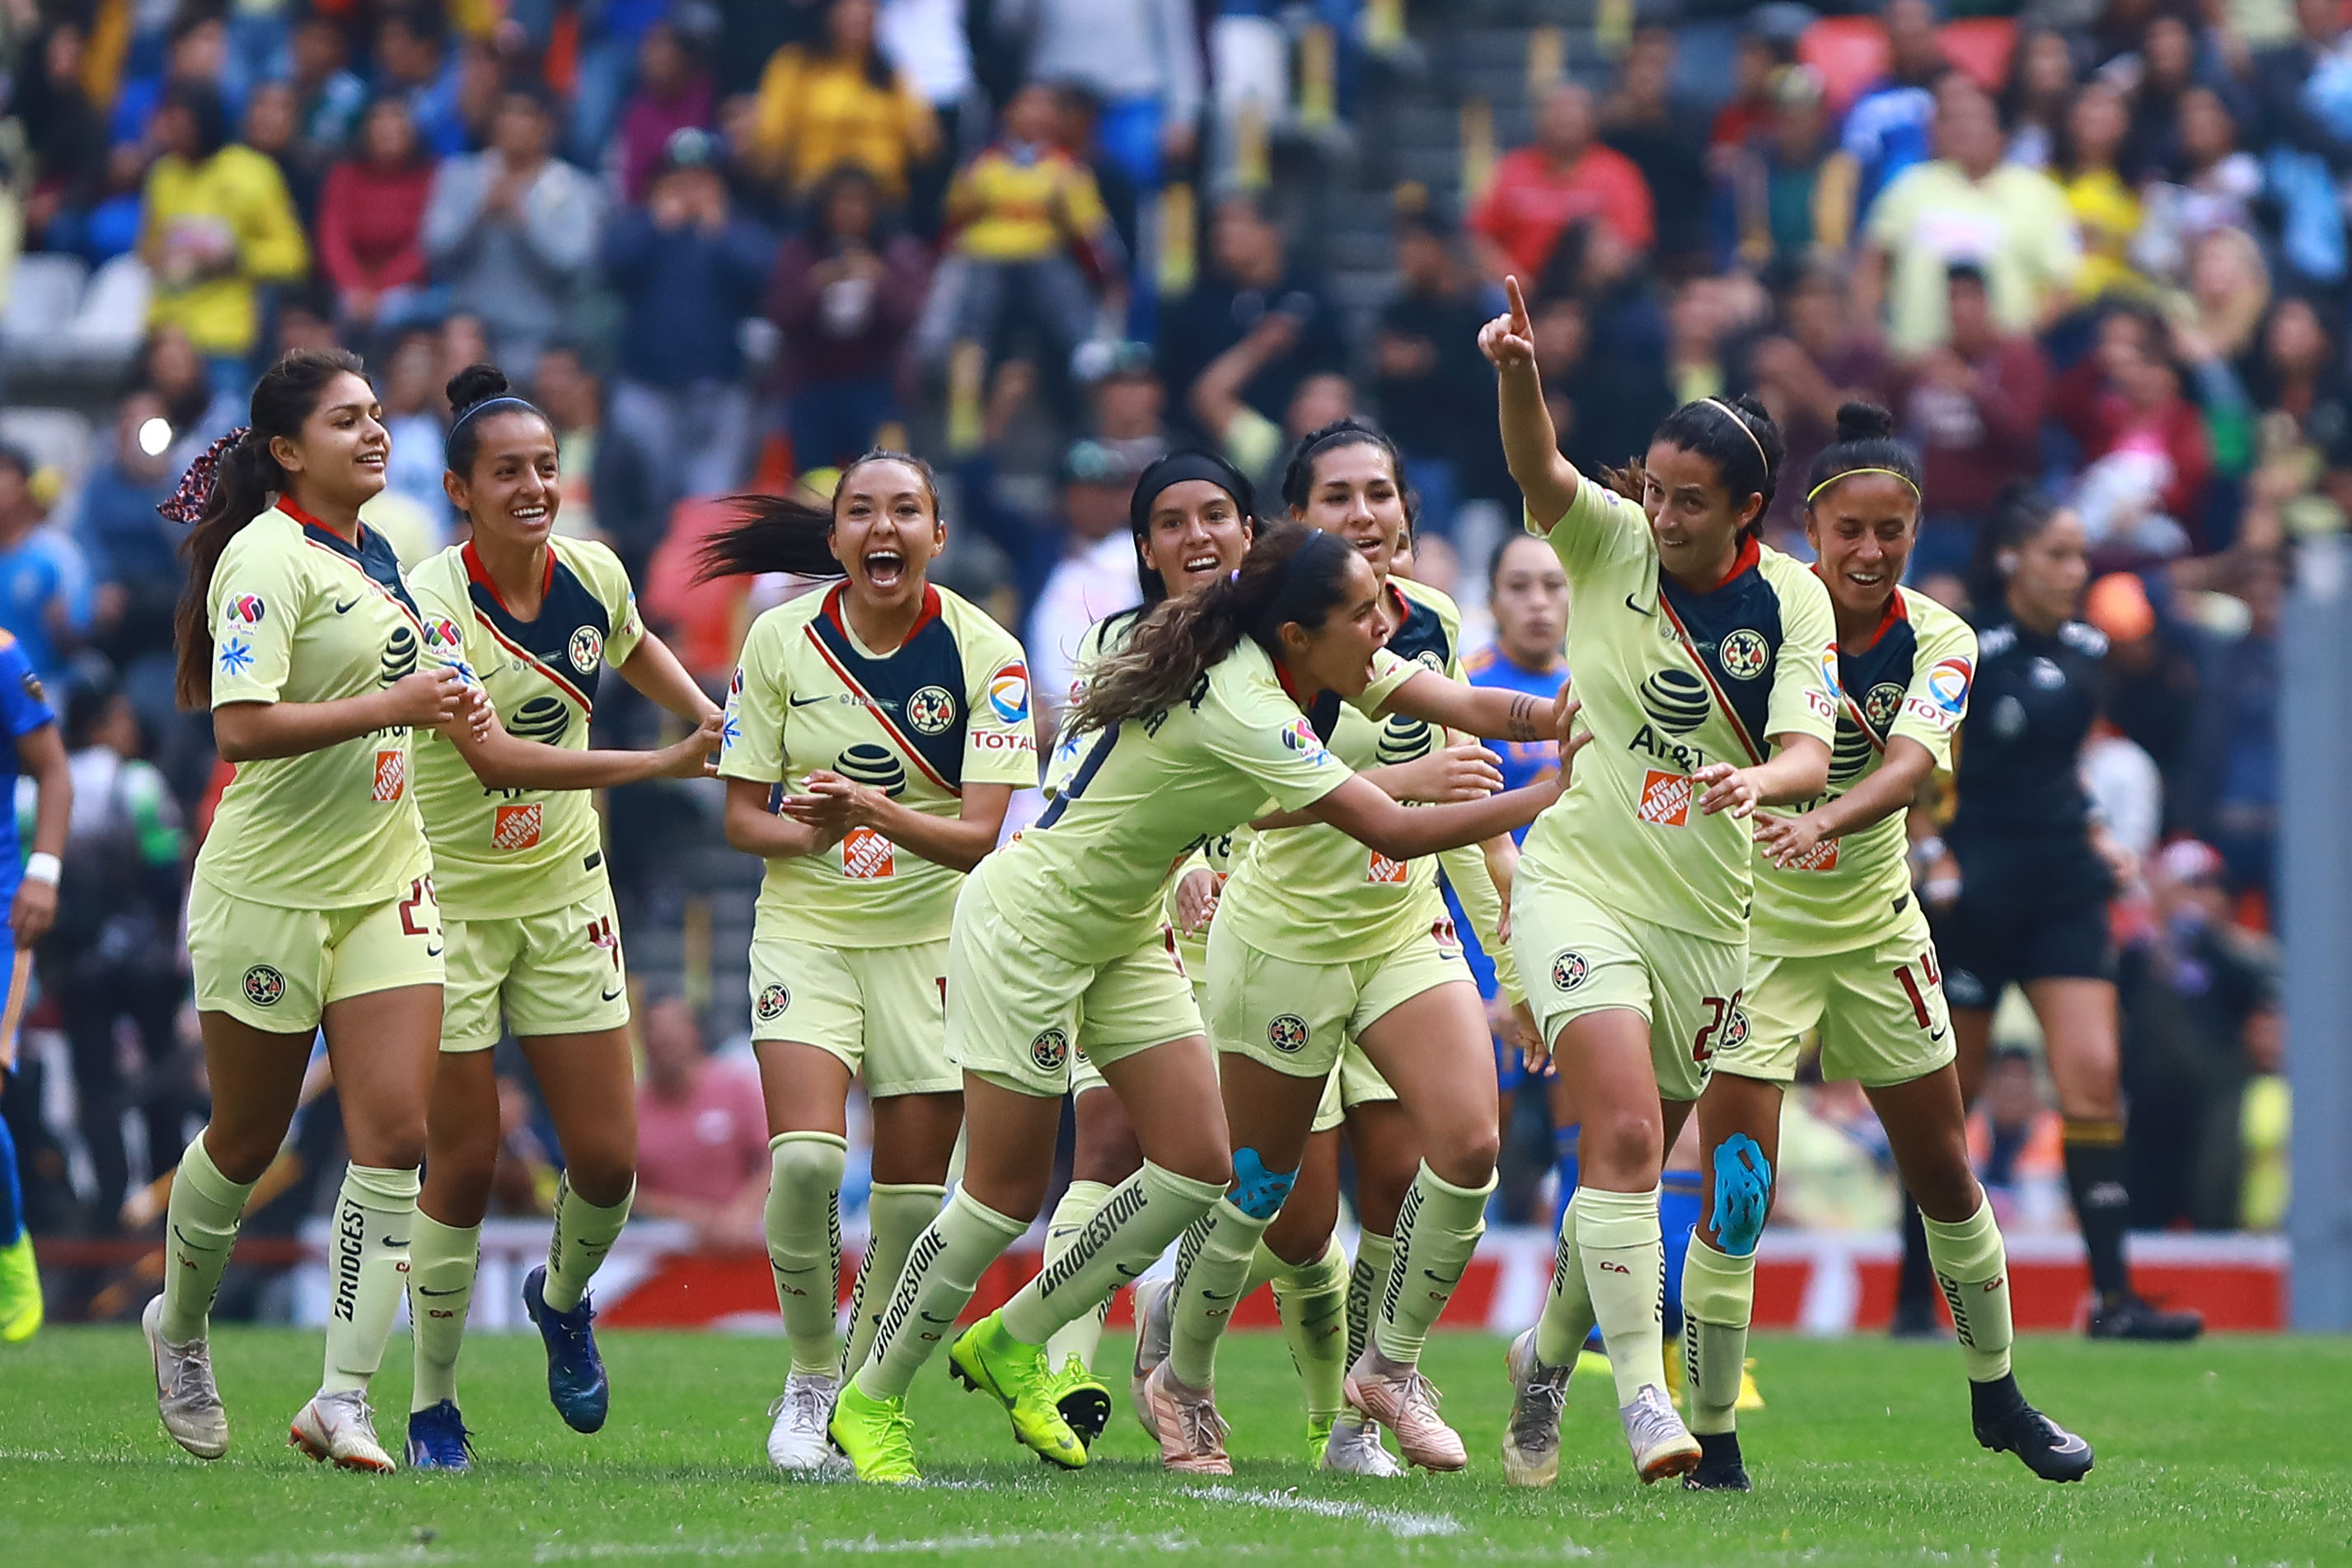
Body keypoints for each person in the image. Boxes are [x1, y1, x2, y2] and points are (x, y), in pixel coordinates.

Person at [825, 501, 1586, 1484]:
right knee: (1002, 1193)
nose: (1384, 625)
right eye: (1363, 613)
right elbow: (1390, 829)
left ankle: (1013, 1338)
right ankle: (868, 1398)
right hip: (1029, 927)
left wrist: (1557, 713)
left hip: (1123, 928)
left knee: (1196, 1166)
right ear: (1297, 633)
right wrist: (1546, 793)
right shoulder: (1248, 704)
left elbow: (1450, 699)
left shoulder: (1306, 660)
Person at [1677, 403, 2092, 1493]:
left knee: (1945, 1173)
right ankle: (1713, 1439)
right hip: (1751, 933)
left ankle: (1997, 1395)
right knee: (1736, 1187)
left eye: (1889, 531)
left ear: (1913, 531)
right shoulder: (1762, 611)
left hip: (1872, 932)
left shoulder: (1940, 635)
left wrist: (1826, 816)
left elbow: (1911, 762)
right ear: (1808, 527)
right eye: (1847, 529)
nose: (1867, 551)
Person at [1478, 277, 1839, 1489]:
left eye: (1693, 502)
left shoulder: (1790, 599)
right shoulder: (1606, 538)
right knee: (1624, 1132)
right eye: (1656, 491)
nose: (1667, 516)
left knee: (1629, 1168)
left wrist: (1765, 782)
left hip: (1708, 915)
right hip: (1577, 882)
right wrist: (1517, 372)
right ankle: (1643, 1391)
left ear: (1747, 507)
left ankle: (1542, 1348)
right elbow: (1540, 473)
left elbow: (1804, 741)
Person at [1144, 422, 1531, 1477]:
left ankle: (1383, 1380)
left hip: (1402, 927)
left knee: (1461, 1149)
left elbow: (1475, 780)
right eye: (1339, 497)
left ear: (1409, 506)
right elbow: (1271, 805)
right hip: (1284, 943)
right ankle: (1177, 1379)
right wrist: (1412, 790)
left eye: (1380, 493)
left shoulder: (1434, 621)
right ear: (1294, 526)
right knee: (1275, 1199)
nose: (1365, 514)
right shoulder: (1256, 660)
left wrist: (1516, 948)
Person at [143, 348, 490, 1472]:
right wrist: (397, 699)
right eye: (349, 420)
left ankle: (343, 1394)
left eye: (380, 415)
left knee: (394, 1132)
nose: (377, 432)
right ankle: (180, 1325)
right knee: (244, 1142)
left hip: (386, 881)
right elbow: (239, 728)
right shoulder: (264, 555)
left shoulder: (383, 556)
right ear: (289, 450)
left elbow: (440, 715)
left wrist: (653, 757)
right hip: (267, 892)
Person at [400, 365, 724, 1470]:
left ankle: (562, 1297)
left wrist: (704, 710)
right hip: (450, 902)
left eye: (544, 465)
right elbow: (491, 757)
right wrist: (663, 757)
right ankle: (433, 1402)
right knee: (462, 1158)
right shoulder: (431, 602)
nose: (535, 485)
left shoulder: (590, 569)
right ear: (460, 490)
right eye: (508, 472)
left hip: (564, 894)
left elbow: (630, 640)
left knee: (606, 1159)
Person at [700, 451, 1038, 1472]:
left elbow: (980, 835)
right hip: (807, 931)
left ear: (937, 534)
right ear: (835, 537)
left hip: (935, 943)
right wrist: (808, 831)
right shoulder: (778, 641)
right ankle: (808, 1381)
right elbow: (739, 821)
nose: (881, 527)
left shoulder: (988, 654)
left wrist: (868, 808)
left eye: (905, 511)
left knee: (904, 1202)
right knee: (806, 1163)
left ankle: (857, 1390)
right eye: (860, 511)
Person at [1901, 489, 2205, 1342]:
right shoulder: (1964, 648)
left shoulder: (2085, 650)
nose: (2076, 572)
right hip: (1975, 891)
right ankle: (1907, 1299)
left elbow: (2058, 768)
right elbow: (1922, 762)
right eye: (2059, 556)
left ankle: (2111, 1299)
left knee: (2093, 1079)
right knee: (1943, 1098)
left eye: (2079, 556)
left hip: (2064, 882)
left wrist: (2098, 831)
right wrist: (1930, 846)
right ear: (2012, 561)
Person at [1455, 534, 1568, 1144]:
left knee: (1586, 1127)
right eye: (1519, 586)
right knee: (1478, 1138)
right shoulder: (1462, 690)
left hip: (1574, 926)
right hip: (1479, 934)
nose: (1538, 603)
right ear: (1492, 600)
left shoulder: (1596, 688)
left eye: (1553, 585)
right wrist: (1498, 974)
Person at [602, 129, 775, 514]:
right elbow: (611, 265)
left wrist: (721, 230)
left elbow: (763, 274)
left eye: (702, 179)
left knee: (708, 505)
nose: (690, 189)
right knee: (648, 502)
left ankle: (699, 575)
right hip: (647, 387)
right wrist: (655, 223)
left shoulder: (736, 229)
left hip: (718, 391)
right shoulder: (641, 226)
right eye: (679, 179)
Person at [1858, 81, 2081, 358]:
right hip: (1915, 364)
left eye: (1976, 120)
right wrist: (1870, 330)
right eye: (1954, 120)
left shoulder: (2039, 194)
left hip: (2000, 369)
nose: (1964, 129)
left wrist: (2023, 339)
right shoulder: (1910, 187)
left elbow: (2064, 285)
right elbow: (1872, 263)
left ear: (2002, 133)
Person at [138, 79, 311, 386]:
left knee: (227, 429)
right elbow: (147, 249)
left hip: (225, 336)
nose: (172, 132)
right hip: (167, 333)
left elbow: (293, 256)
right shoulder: (163, 175)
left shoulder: (252, 173)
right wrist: (159, 255)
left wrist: (236, 257)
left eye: (181, 123)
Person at [422, 87, 602, 367]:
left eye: (524, 114)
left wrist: (524, 221)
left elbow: (573, 265)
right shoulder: (461, 175)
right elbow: (434, 249)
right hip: (470, 328)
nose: (512, 123)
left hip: (540, 338)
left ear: (548, 125)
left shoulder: (575, 188)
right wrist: (479, 216)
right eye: (505, 112)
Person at [0, 623, 69, 1341]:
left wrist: (43, 872)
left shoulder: (3, 654)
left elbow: (53, 768)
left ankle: (9, 1244)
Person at [749, 0, 939, 204]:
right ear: (827, 14)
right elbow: (770, 142)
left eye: (866, 15)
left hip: (881, 202)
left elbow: (925, 146)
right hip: (813, 199)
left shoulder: (891, 76)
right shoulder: (795, 66)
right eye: (848, 13)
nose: (857, 21)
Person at [1469, 82, 1656, 283]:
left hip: (1592, 291)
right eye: (1556, 110)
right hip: (1521, 288)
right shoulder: (1512, 170)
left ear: (1592, 119)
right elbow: (1480, 238)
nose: (1565, 118)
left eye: (1573, 110)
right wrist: (1513, 279)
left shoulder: (1618, 172)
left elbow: (1633, 242)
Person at [633, 994, 771, 1251]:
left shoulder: (735, 1087)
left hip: (741, 1247)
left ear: (693, 1033)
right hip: (657, 1258)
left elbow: (774, 1161)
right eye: (657, 1039)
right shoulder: (630, 1108)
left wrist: (746, 1210)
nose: (664, 1045)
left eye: (671, 1037)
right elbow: (619, 1195)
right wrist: (688, 1216)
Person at [315, 96, 438, 338]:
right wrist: (354, 286)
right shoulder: (344, 175)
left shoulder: (430, 178)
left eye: (396, 122)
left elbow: (424, 246)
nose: (387, 131)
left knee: (393, 311)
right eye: (379, 122)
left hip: (408, 288)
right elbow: (333, 237)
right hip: (350, 287)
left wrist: (381, 290)